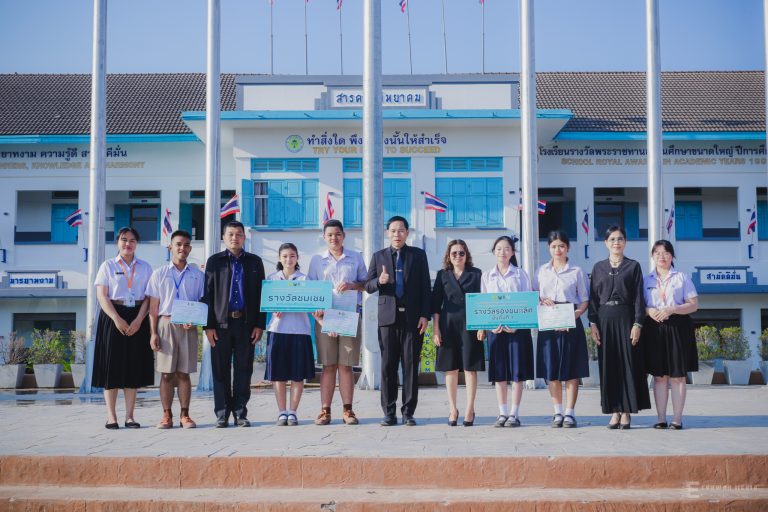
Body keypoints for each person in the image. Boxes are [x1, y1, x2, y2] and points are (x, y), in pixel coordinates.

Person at [365, 216, 431, 426]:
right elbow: (367, 285)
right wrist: (379, 281)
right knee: (388, 367)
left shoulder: (418, 255)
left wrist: (425, 315)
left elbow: (425, 288)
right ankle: (389, 412)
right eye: (393, 231)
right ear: (387, 233)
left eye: (401, 230)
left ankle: (408, 412)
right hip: (387, 319)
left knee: (410, 366)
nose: (397, 234)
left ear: (407, 233)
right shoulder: (378, 256)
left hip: (412, 319)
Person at [202, 221, 266, 428]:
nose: (234, 238)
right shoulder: (214, 262)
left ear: (244, 237)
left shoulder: (255, 262)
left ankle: (240, 413)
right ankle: (222, 413)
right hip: (220, 324)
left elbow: (262, 295)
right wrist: (208, 326)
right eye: (230, 234)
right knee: (220, 370)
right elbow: (208, 295)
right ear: (223, 237)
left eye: (238, 234)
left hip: (246, 324)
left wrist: (259, 324)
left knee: (243, 370)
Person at [588, 225, 650, 429]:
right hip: (604, 320)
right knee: (610, 365)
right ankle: (614, 410)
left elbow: (639, 298)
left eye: (620, 239)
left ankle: (627, 411)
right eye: (612, 239)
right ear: (606, 243)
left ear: (625, 242)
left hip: (626, 318)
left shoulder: (633, 266)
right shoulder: (598, 267)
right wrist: (593, 323)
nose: (616, 242)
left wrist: (638, 323)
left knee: (628, 364)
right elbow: (593, 299)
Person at [307, 219, 367, 426]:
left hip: (349, 316)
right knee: (328, 365)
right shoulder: (317, 260)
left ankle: (348, 410)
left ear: (344, 236)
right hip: (325, 319)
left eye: (338, 234)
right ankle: (325, 410)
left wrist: (352, 285)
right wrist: (319, 317)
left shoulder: (356, 257)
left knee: (346, 365)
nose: (334, 238)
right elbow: (311, 290)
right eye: (330, 235)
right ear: (324, 237)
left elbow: (366, 284)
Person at [93, 226, 154, 429]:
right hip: (113, 315)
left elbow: (149, 297)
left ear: (137, 244)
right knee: (111, 367)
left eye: (132, 240)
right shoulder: (107, 266)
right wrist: (116, 318)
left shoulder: (145, 267)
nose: (128, 244)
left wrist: (139, 320)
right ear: (117, 242)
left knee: (132, 367)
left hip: (137, 315)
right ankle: (111, 416)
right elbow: (102, 295)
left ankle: (130, 416)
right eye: (124, 240)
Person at [146, 230, 204, 429]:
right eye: (178, 244)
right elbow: (153, 308)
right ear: (170, 247)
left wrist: (194, 320)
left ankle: (185, 415)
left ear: (190, 248)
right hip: (166, 324)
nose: (182, 248)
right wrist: (153, 333)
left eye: (186, 245)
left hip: (188, 327)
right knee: (166, 374)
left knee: (184, 373)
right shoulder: (159, 273)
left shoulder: (197, 275)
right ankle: (166, 415)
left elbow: (202, 302)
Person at [534, 231, 590, 428]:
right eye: (553, 246)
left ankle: (570, 413)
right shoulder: (541, 271)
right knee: (551, 369)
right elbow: (534, 295)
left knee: (571, 369)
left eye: (561, 246)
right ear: (548, 248)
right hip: (548, 323)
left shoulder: (577, 271)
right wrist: (542, 300)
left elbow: (584, 299)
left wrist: (576, 314)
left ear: (568, 248)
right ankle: (557, 412)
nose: (557, 250)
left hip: (570, 322)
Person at [641, 240, 699, 430]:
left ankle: (677, 419)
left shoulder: (682, 278)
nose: (661, 256)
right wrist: (649, 311)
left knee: (677, 376)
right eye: (657, 253)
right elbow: (640, 306)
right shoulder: (646, 280)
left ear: (672, 256)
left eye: (665, 252)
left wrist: (673, 309)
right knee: (659, 376)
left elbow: (693, 305)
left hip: (677, 328)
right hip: (654, 329)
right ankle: (660, 418)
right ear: (652, 256)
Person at [479, 235, 534, 428]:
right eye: (499, 249)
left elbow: (528, 302)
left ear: (512, 252)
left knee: (517, 372)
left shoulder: (520, 274)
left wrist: (519, 324)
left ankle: (514, 414)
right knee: (499, 371)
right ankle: (502, 413)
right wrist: (488, 326)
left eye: (507, 249)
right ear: (494, 252)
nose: (503, 252)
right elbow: (483, 304)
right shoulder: (487, 276)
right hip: (496, 331)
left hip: (517, 331)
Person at [431, 239, 483, 427]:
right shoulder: (442, 275)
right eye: (454, 253)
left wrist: (482, 326)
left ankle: (470, 408)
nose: (458, 256)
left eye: (461, 253)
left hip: (471, 325)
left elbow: (482, 301)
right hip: (447, 325)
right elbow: (435, 304)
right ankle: (453, 409)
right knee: (450, 368)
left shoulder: (476, 274)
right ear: (448, 256)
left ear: (466, 255)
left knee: (470, 367)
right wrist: (436, 329)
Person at [265, 243, 315, 426]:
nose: (288, 259)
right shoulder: (271, 279)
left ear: (297, 258)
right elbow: (267, 304)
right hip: (277, 330)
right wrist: (273, 308)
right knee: (278, 374)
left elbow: (312, 304)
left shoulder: (305, 280)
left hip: (300, 331)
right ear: (279, 258)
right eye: (285, 256)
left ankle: (293, 411)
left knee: (297, 374)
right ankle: (282, 412)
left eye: (292, 255)